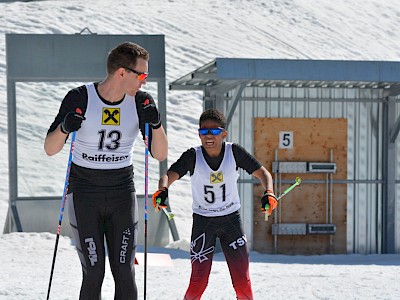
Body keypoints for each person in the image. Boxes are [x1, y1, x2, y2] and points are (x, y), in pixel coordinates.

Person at [44, 42, 168, 300]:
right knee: (94, 271)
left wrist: (156, 124)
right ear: (122, 73)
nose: (144, 81)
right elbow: (50, 148)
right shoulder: (80, 97)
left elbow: (160, 154)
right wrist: (65, 127)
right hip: (84, 194)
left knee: (124, 271)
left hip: (121, 194)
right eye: (141, 75)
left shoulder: (141, 102)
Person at [152, 108, 277, 300]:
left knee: (242, 281)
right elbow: (169, 175)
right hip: (204, 223)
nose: (209, 136)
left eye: (215, 131)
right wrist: (162, 189)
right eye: (204, 131)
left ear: (224, 134)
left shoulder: (233, 152)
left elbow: (263, 173)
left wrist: (269, 193)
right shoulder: (193, 155)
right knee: (198, 282)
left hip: (231, 222)